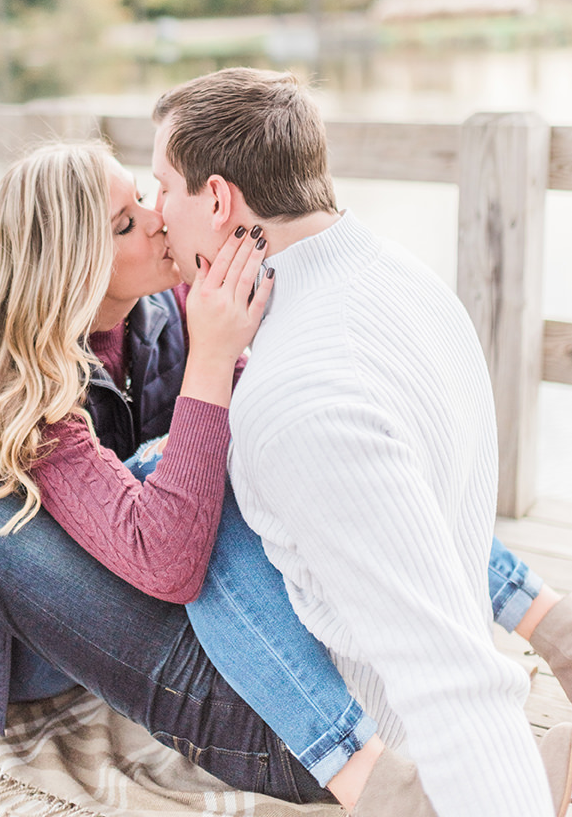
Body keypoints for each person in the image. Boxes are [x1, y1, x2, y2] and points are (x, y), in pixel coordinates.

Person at [0, 135, 568, 814]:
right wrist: (214, 362)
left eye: (144, 195)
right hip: (36, 638)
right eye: (125, 221)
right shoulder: (31, 387)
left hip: (155, 584)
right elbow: (170, 555)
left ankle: (542, 618)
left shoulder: (164, 311)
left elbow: (303, 459)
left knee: (285, 439)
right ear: (77, 264)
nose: (157, 218)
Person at [150, 66, 571, 817]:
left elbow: (454, 682)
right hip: (396, 647)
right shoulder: (407, 280)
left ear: (216, 199)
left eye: (161, 189)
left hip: (361, 731)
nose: (156, 217)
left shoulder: (299, 396)